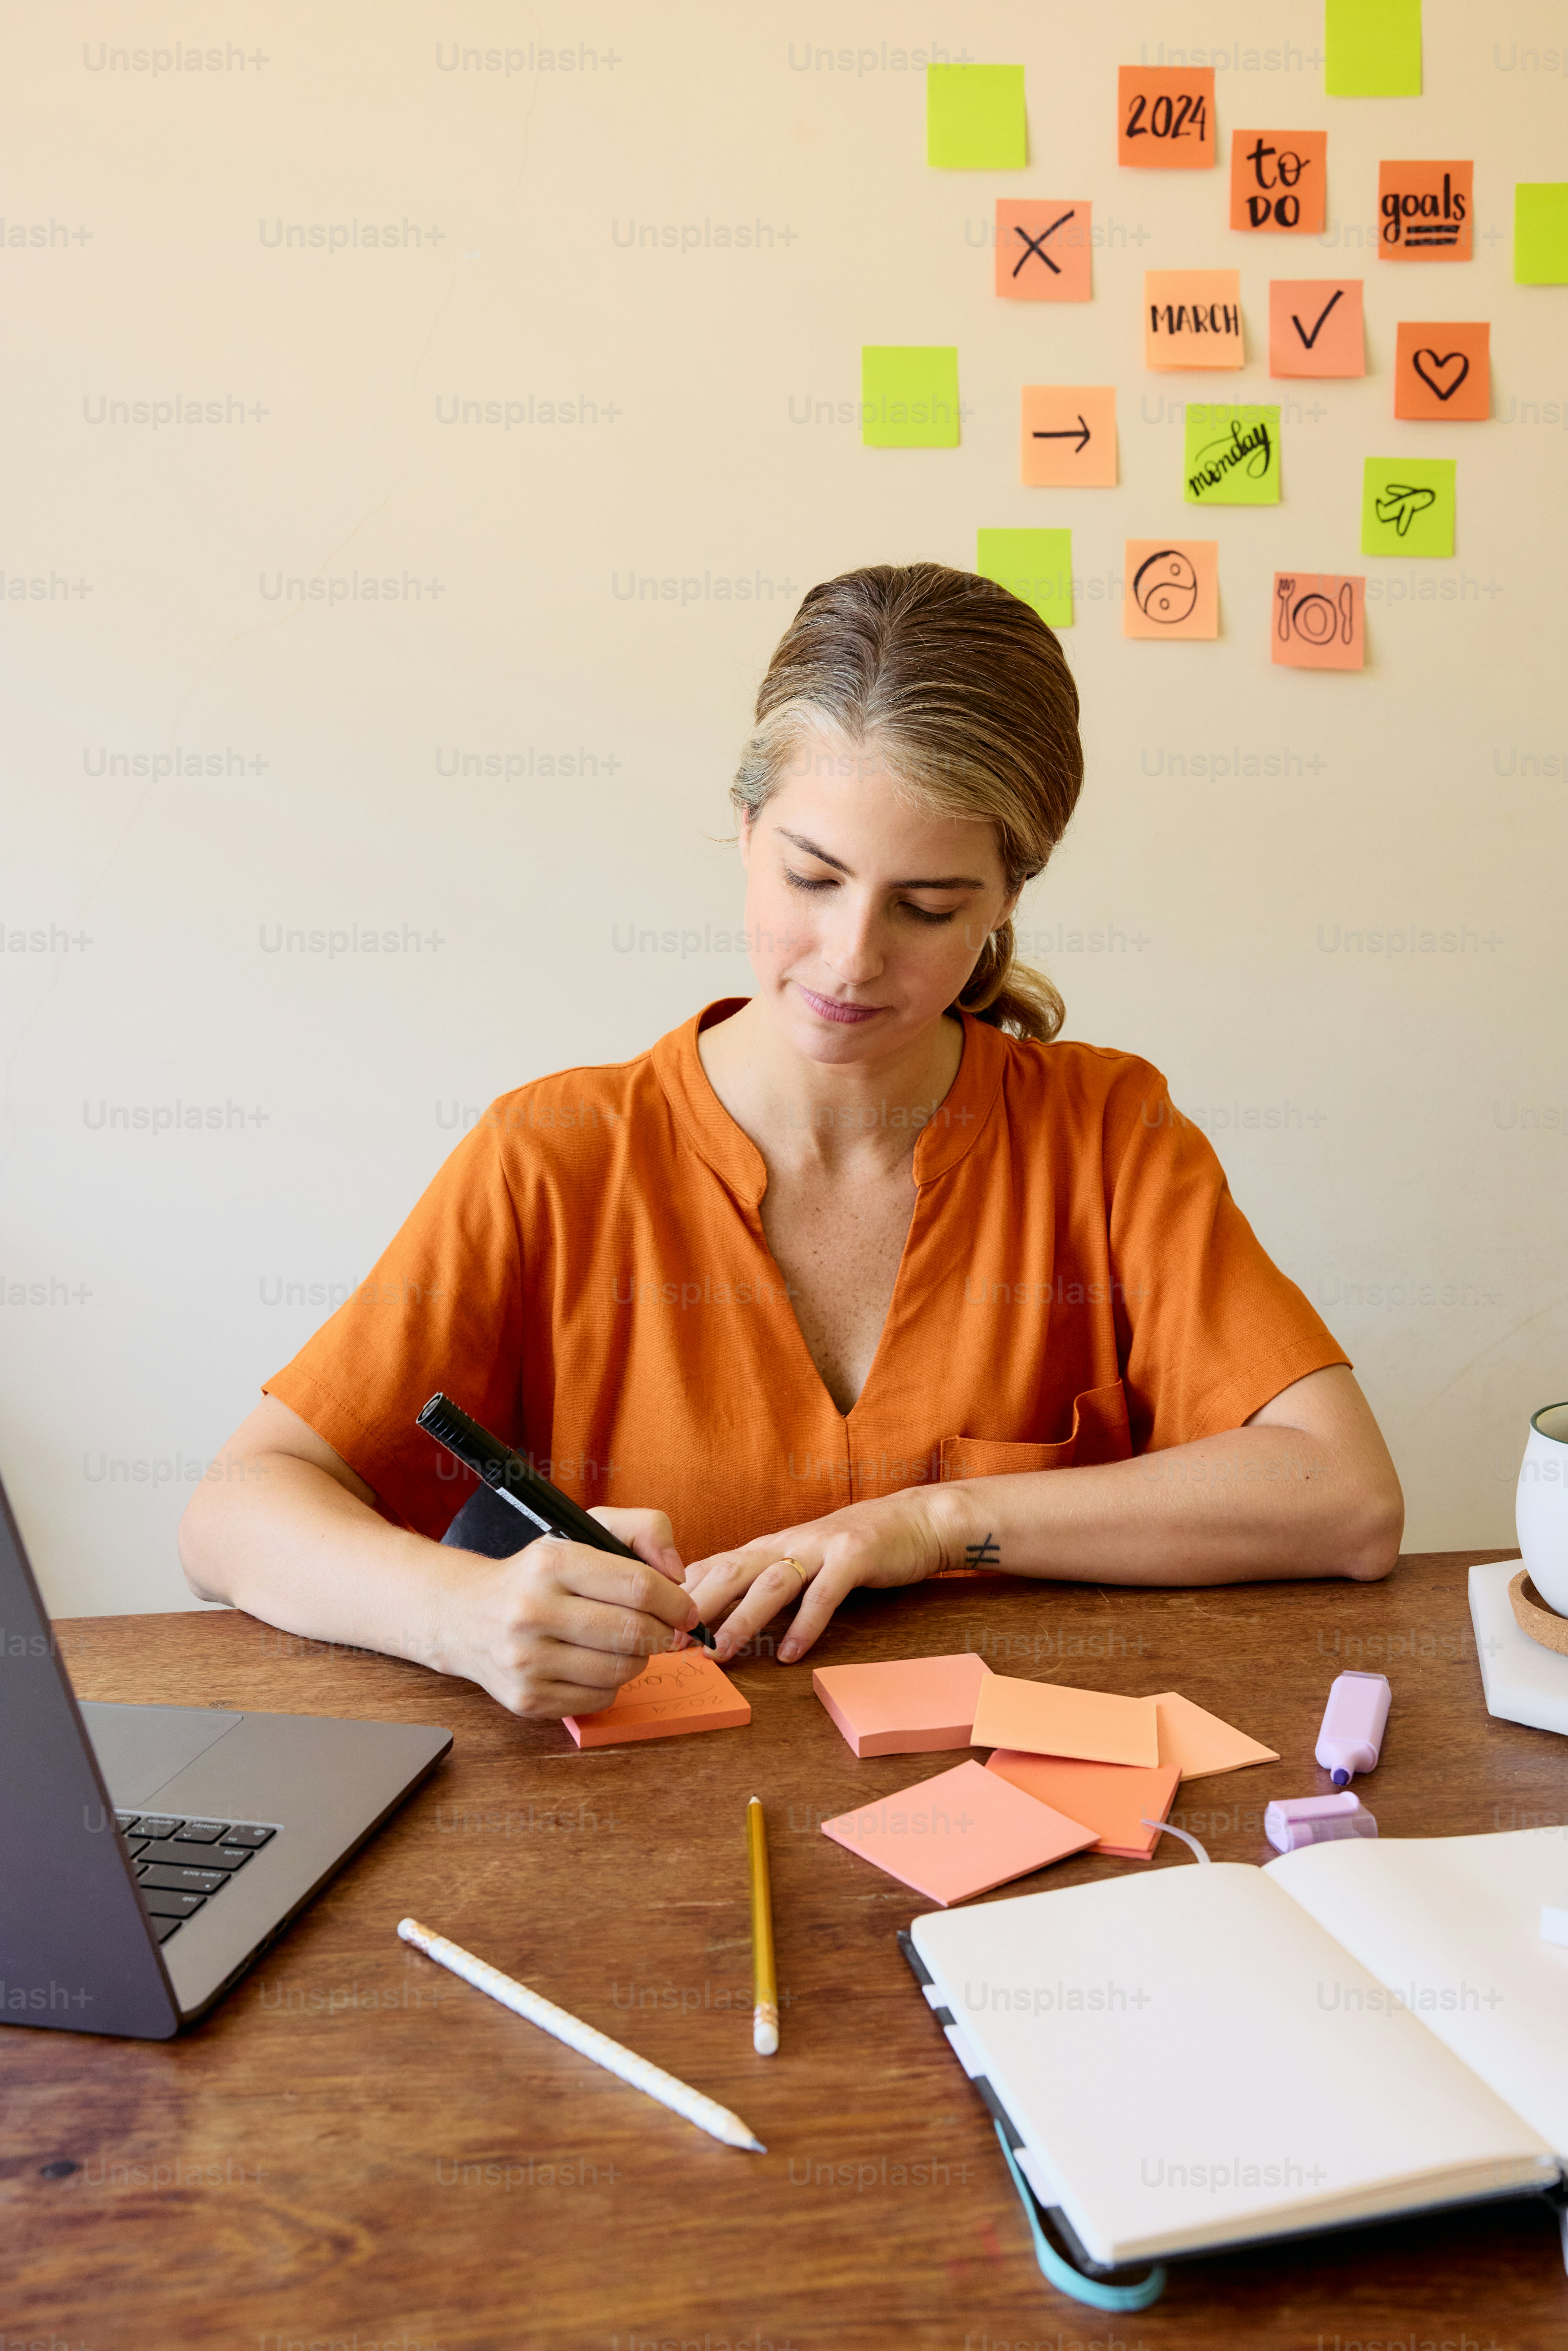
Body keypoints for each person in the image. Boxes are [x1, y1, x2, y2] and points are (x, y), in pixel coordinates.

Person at [180, 563, 1403, 1719]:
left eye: (929, 908)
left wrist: (935, 1523)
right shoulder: (555, 1155)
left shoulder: (1107, 1134)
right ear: (747, 823)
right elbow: (235, 1513)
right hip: (650, 1847)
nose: (851, 959)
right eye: (812, 878)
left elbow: (1344, 1500)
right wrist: (463, 1612)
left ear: (1008, 899)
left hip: (1038, 1848)